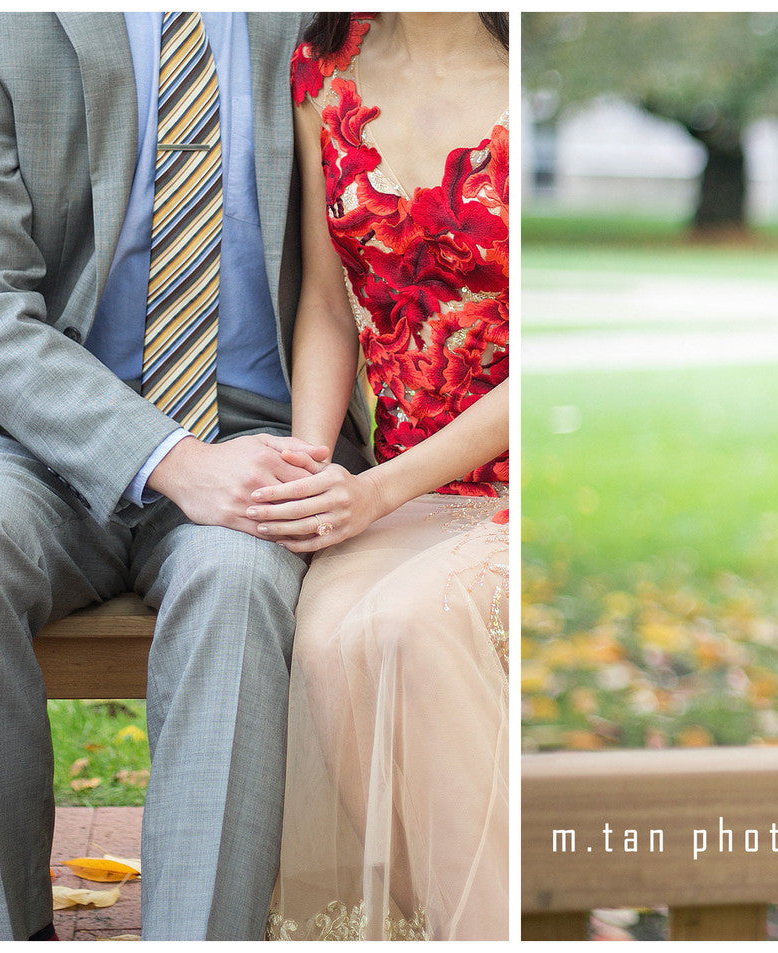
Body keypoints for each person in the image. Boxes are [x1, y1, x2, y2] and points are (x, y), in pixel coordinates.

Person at [0, 13, 370, 940]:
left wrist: (296, 461)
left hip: (260, 431)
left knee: (237, 586)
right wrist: (173, 462)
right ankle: (8, 930)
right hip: (35, 435)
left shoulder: (328, 20)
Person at [261, 12, 511, 941]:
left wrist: (377, 489)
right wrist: (311, 461)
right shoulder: (326, 64)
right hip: (398, 487)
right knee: (327, 644)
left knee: (410, 626)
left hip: (523, 485)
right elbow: (328, 304)